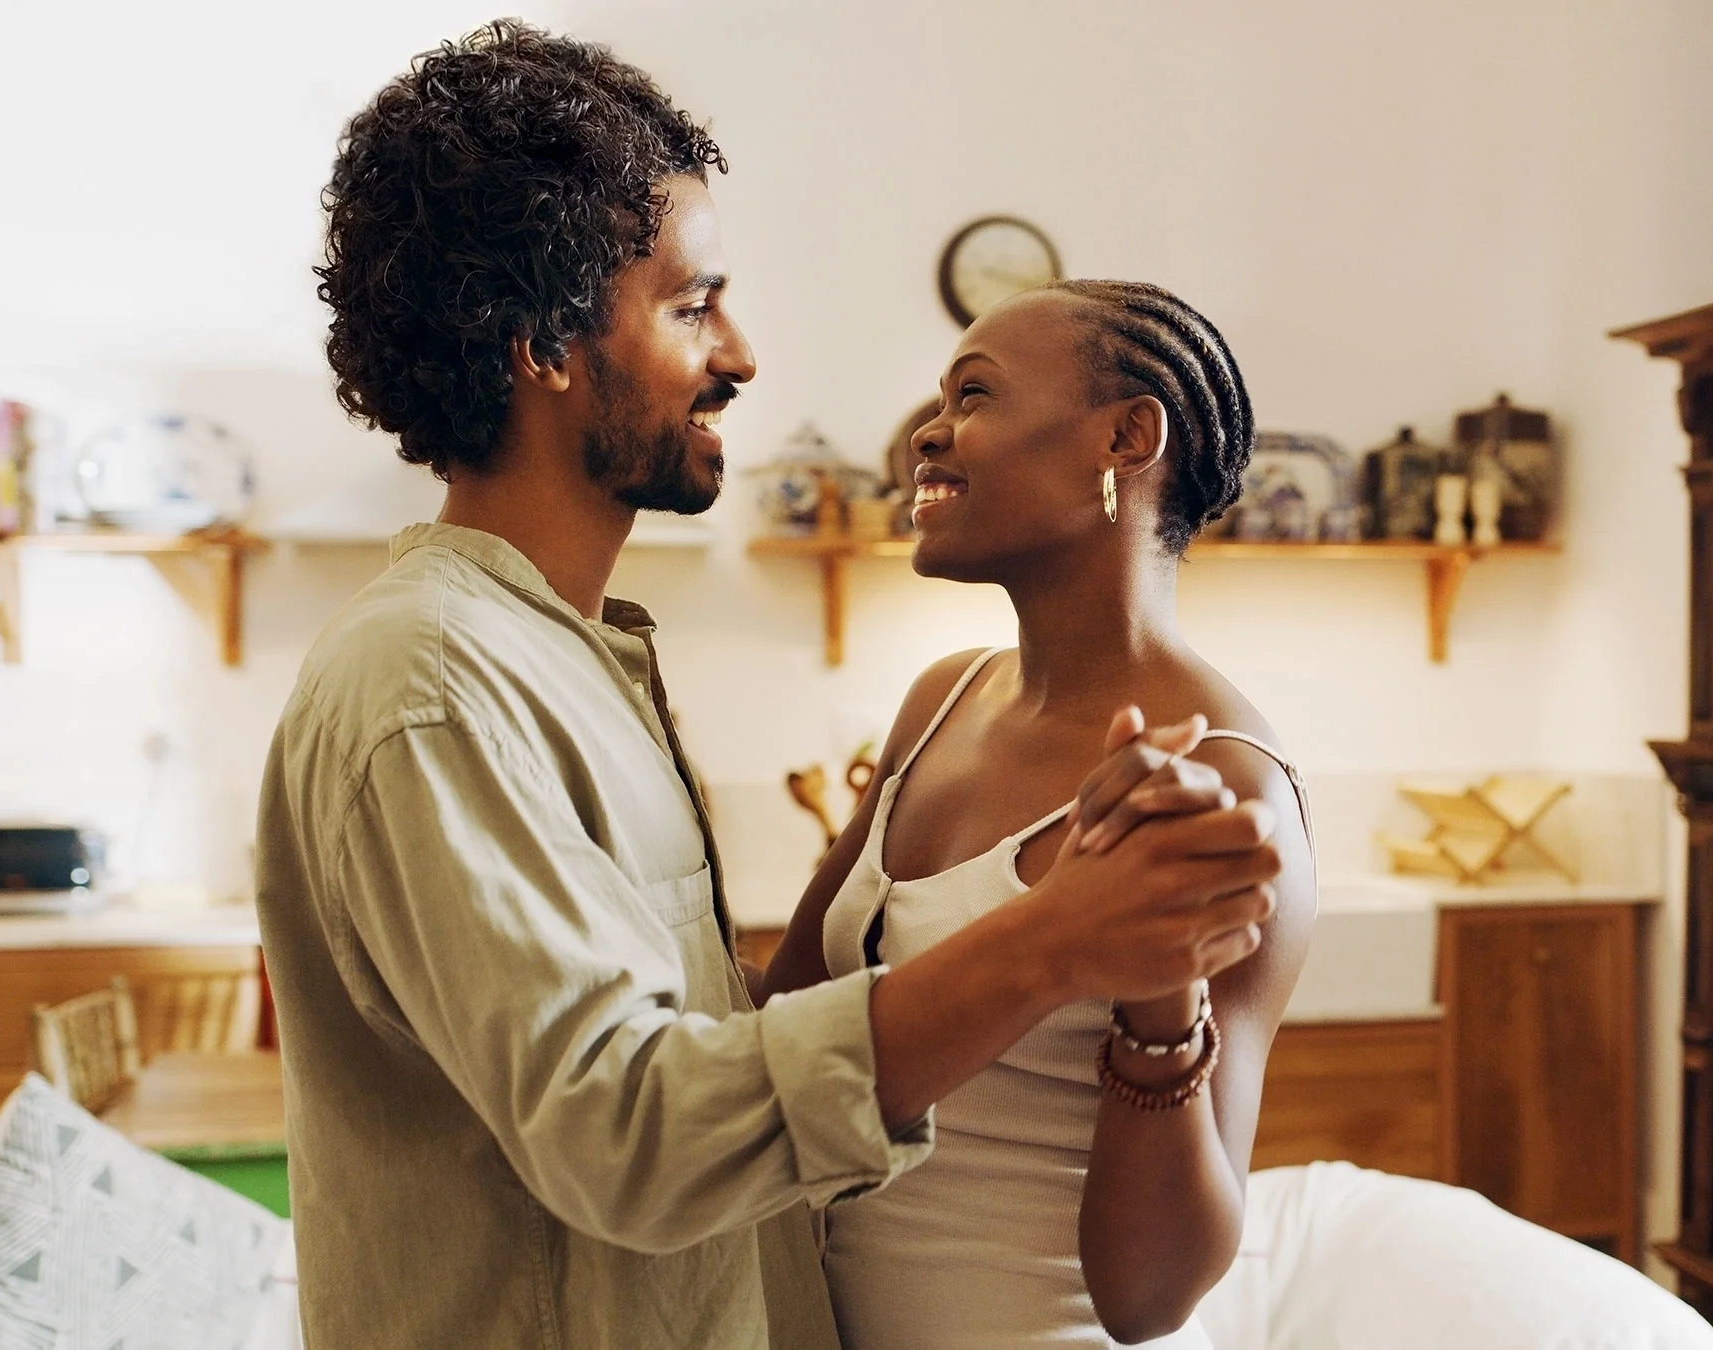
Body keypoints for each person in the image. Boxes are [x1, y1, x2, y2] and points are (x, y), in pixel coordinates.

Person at [256, 23, 1280, 1350]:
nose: (736, 355)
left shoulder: (574, 658)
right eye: (691, 305)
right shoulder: (431, 684)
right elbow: (627, 1134)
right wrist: (1058, 936)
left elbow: (729, 1048)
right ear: (543, 345)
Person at [762, 280, 1318, 1348]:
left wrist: (1162, 996)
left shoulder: (1228, 787)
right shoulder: (940, 702)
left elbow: (1148, 1300)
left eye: (972, 394)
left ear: (1126, 437)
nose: (928, 433)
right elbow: (781, 1018)